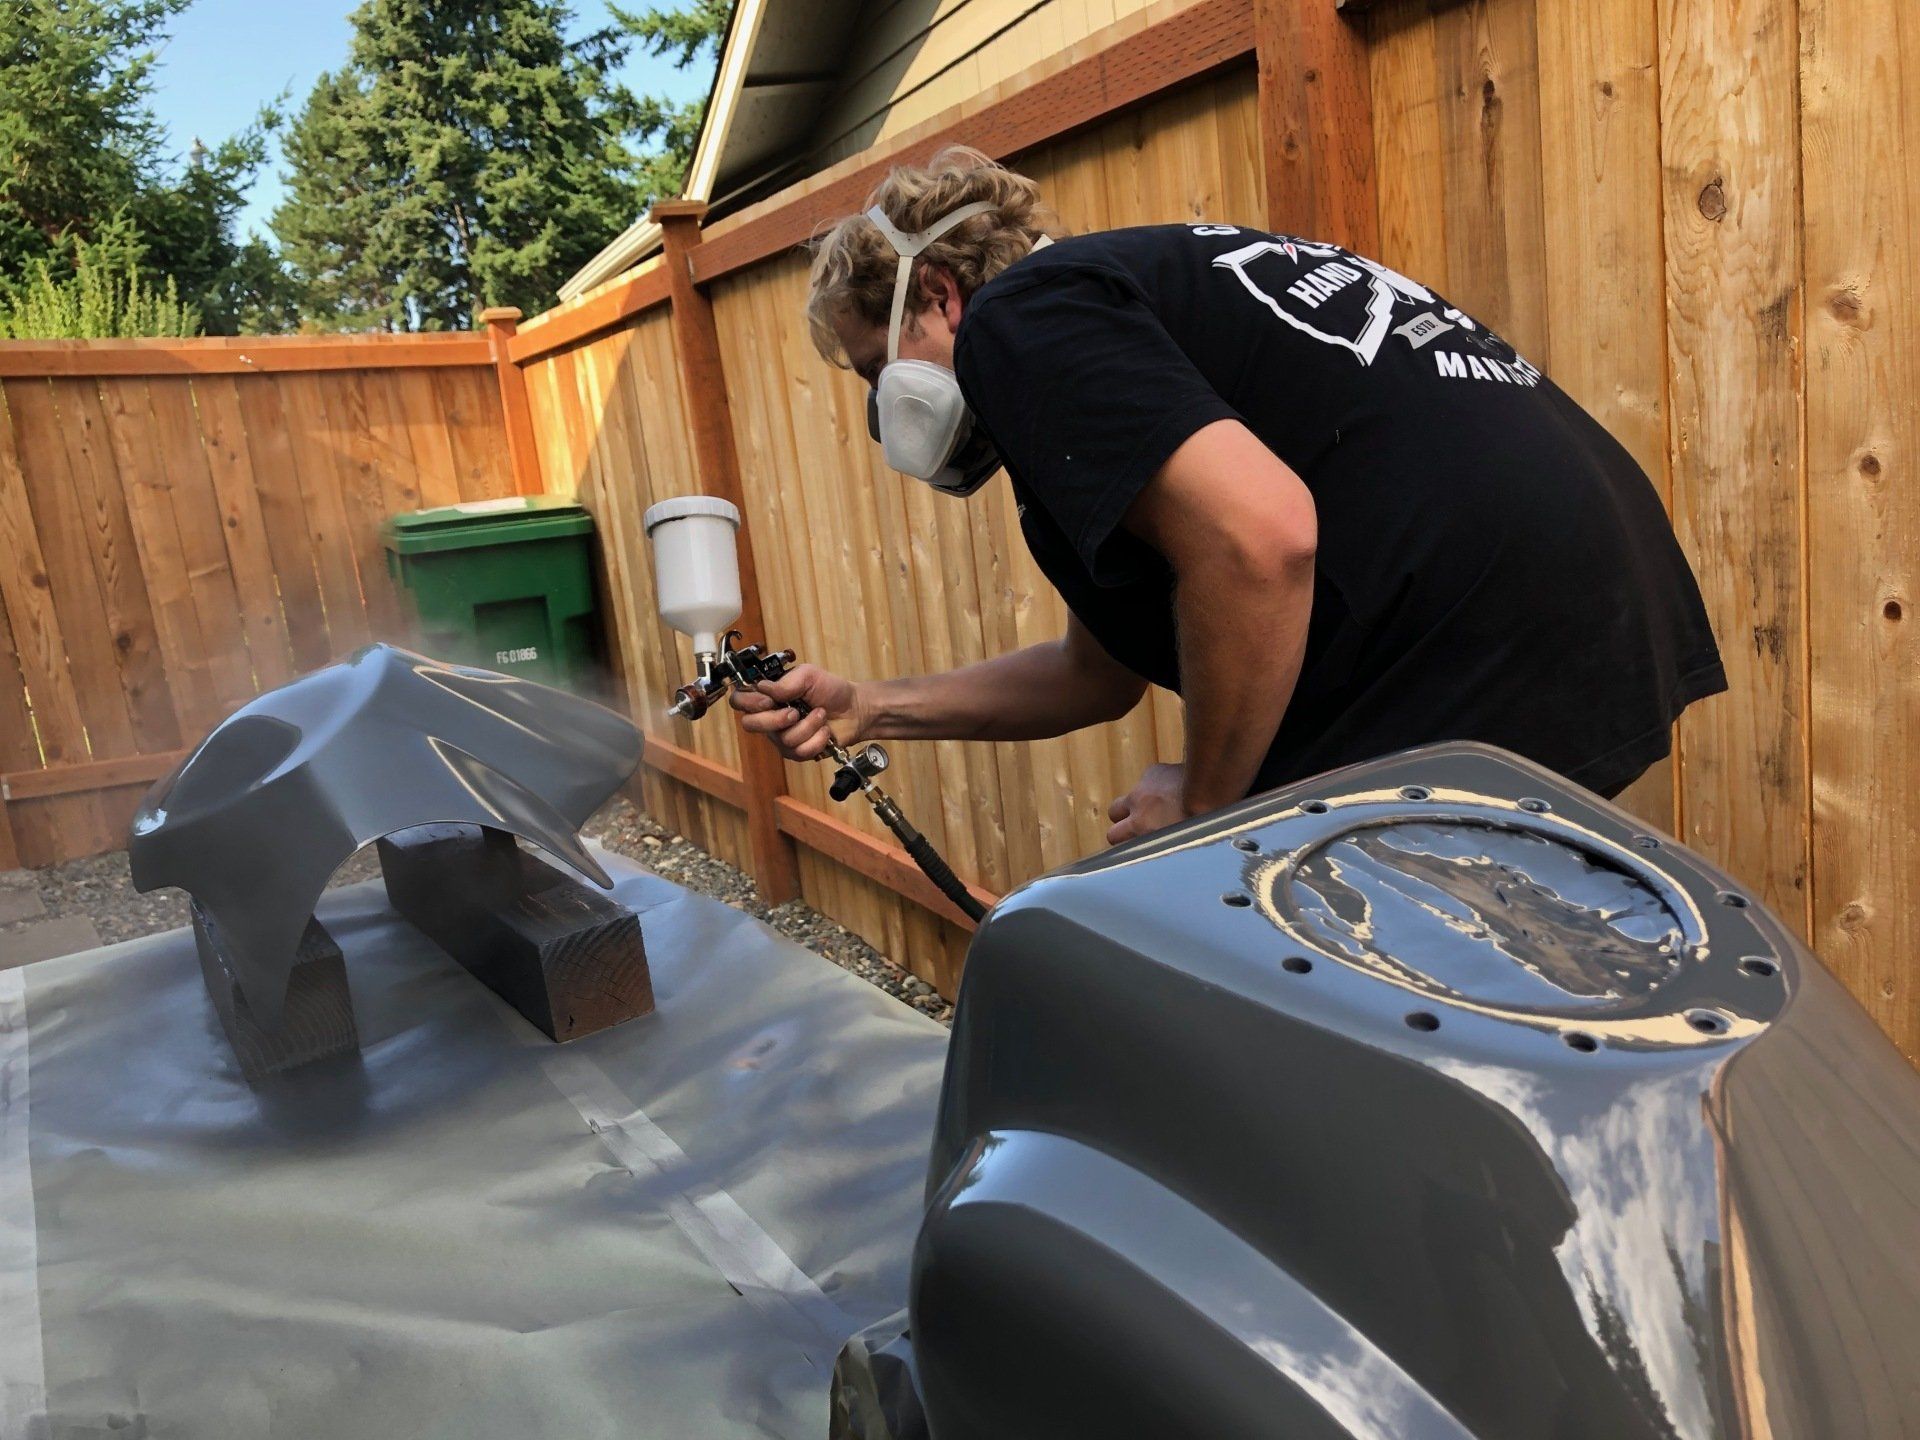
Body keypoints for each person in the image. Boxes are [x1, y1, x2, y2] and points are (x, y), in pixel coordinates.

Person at [731, 147, 1725, 846]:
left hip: (1469, 645)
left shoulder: (1020, 323)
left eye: (874, 369)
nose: (881, 410)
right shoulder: (1122, 326)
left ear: (942, 294)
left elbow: (1262, 538)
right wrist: (868, 707)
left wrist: (1216, 812)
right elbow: (1095, 675)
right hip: (1584, 612)